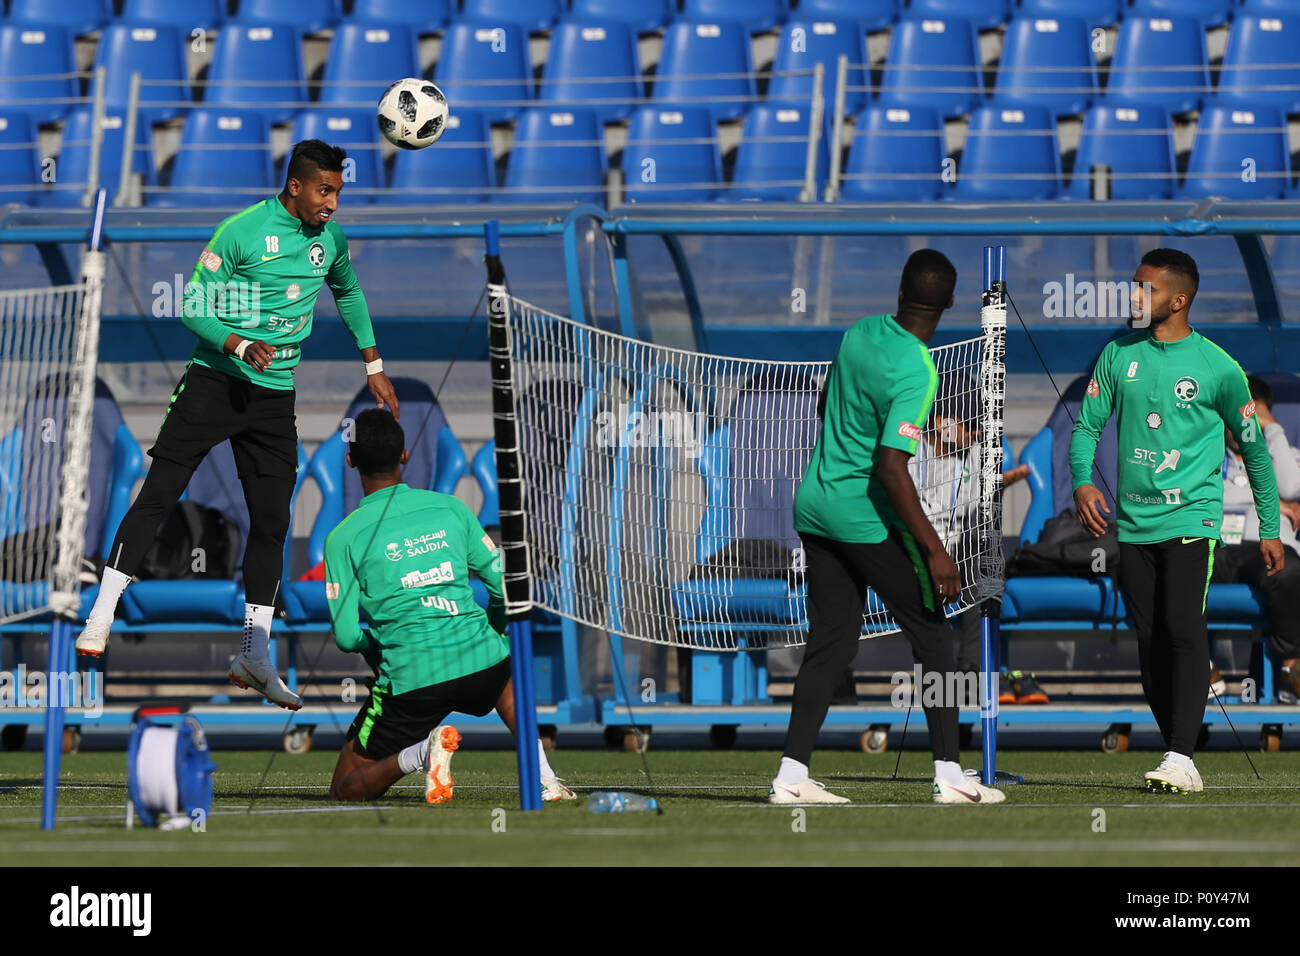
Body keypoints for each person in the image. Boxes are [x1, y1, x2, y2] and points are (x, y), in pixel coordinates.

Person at [74, 140, 400, 711]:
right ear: (295, 187)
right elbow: (192, 306)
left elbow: (348, 290)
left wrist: (373, 363)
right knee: (159, 494)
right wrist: (239, 341)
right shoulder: (242, 231)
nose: (333, 204)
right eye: (324, 191)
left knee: (273, 520)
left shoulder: (331, 240)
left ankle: (254, 654)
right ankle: (102, 613)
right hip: (213, 384)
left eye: (339, 192)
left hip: (273, 400)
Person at [773, 249, 1006, 806]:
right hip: (860, 516)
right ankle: (950, 774)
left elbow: (832, 404)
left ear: (900, 292)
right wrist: (935, 551)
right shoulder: (918, 369)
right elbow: (891, 467)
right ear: (949, 303)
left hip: (814, 504)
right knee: (934, 634)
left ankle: (790, 776)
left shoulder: (857, 333)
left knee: (830, 644)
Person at [1070, 248, 1283, 794]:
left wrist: (1269, 528)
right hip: (1134, 526)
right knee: (1149, 639)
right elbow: (1087, 428)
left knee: (1183, 627)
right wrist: (1083, 481)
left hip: (1192, 519)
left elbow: (1256, 454)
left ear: (1179, 299)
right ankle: (1178, 752)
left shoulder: (1219, 367)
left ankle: (1180, 754)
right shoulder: (1117, 354)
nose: (1135, 296)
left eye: (1147, 289)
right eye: (1133, 285)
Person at [325, 409, 575, 804]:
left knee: (343, 788)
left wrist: (372, 646)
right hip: (479, 664)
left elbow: (345, 635)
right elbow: (503, 589)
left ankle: (419, 755)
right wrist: (491, 632)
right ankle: (546, 778)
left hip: (413, 680)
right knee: (503, 673)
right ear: (404, 455)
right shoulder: (453, 509)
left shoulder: (343, 537)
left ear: (350, 460)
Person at [910, 374, 1042, 703]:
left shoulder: (980, 453)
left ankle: (972, 673)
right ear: (942, 423)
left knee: (987, 547)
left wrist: (994, 489)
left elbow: (977, 522)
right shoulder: (908, 455)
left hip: (961, 556)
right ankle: (939, 681)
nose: (978, 433)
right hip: (913, 554)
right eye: (970, 425)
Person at [1213, 375, 1300, 703]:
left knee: (1289, 570)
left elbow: (1292, 488)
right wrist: (1268, 500)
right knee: (1172, 563)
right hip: (1216, 546)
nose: (1243, 425)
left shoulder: (1284, 456)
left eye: (1252, 417)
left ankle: (1291, 671)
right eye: (1237, 415)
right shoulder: (1207, 455)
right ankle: (1199, 669)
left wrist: (1273, 429)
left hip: (1264, 549)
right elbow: (1197, 496)